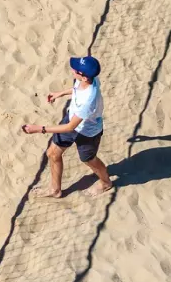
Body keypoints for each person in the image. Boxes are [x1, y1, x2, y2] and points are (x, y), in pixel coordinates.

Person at [20, 55, 113, 198]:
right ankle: (55, 190)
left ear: (84, 77)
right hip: (72, 118)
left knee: (89, 160)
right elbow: (77, 89)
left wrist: (40, 129)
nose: (72, 70)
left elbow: (70, 127)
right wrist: (61, 93)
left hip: (87, 132)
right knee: (53, 153)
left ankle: (106, 183)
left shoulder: (88, 100)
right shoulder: (89, 79)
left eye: (76, 69)